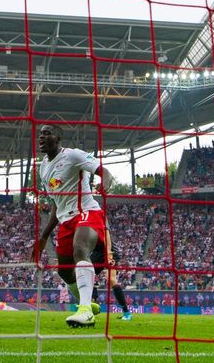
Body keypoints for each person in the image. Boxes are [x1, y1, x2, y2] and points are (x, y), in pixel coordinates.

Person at [31, 124, 114, 328]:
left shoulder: (73, 155)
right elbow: (56, 203)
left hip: (87, 211)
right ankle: (87, 303)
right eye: (40, 134)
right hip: (66, 220)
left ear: (58, 138)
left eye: (47, 133)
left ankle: (85, 311)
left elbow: (105, 171)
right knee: (65, 272)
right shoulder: (43, 167)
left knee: (80, 249)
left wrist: (105, 182)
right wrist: (43, 236)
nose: (42, 137)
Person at [91, 228, 132, 321]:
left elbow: (106, 232)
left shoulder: (100, 221)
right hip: (97, 252)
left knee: (111, 279)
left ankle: (127, 313)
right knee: (86, 275)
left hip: (110, 250)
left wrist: (109, 254)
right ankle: (90, 307)